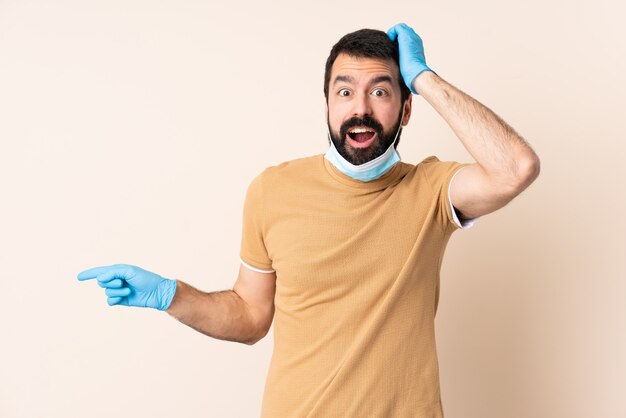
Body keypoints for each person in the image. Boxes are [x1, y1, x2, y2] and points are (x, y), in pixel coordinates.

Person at [78, 22, 540, 417]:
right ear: (327, 104)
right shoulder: (272, 190)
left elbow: (515, 168)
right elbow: (251, 316)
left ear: (406, 109)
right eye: (344, 91)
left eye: (380, 91)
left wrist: (424, 78)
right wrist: (170, 295)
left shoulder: (432, 190)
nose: (360, 108)